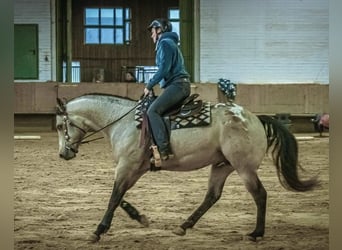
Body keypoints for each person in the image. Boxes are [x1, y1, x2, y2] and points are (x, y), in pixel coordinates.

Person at [144, 18, 191, 162]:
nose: (151, 35)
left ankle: (163, 149)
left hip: (178, 85)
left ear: (159, 30)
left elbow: (164, 69)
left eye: (152, 32)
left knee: (152, 111)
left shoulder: (165, 43)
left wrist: (149, 85)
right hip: (176, 85)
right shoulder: (169, 43)